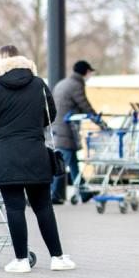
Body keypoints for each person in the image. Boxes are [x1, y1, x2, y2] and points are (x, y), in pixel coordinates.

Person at [0, 45, 76, 273]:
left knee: (14, 207)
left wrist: (3, 123)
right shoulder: (38, 84)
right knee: (43, 207)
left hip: (5, 154)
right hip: (34, 151)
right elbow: (51, 114)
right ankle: (57, 257)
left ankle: (21, 260)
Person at [50, 60, 101, 204]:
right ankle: (52, 194)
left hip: (58, 127)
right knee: (62, 163)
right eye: (90, 72)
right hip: (66, 129)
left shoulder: (62, 83)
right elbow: (85, 105)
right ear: (85, 72)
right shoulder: (76, 85)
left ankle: (84, 193)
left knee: (73, 164)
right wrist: (99, 121)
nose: (90, 75)